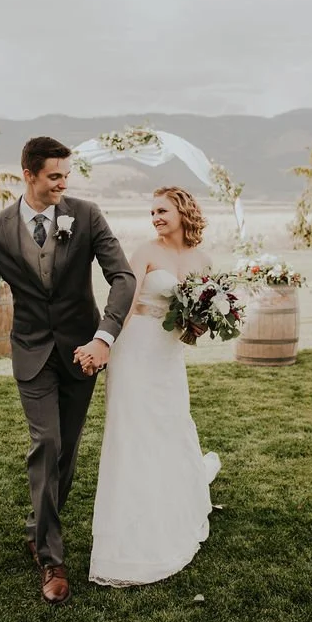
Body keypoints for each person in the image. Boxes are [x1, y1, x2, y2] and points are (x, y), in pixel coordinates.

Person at [0, 136, 136, 605]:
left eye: (66, 175)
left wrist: (104, 337)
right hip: (32, 354)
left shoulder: (88, 214)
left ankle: (39, 528)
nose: (63, 183)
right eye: (54, 176)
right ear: (29, 174)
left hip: (82, 354)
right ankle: (51, 560)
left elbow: (123, 277)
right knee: (48, 442)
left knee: (67, 454)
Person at [80, 185, 222, 587]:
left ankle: (172, 510)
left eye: (162, 210)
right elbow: (122, 303)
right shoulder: (144, 252)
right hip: (135, 351)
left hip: (169, 354)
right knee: (134, 435)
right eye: (152, 212)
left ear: (183, 210)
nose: (156, 217)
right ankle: (132, 537)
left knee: (171, 426)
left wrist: (198, 326)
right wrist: (105, 345)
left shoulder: (203, 260)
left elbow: (199, 324)